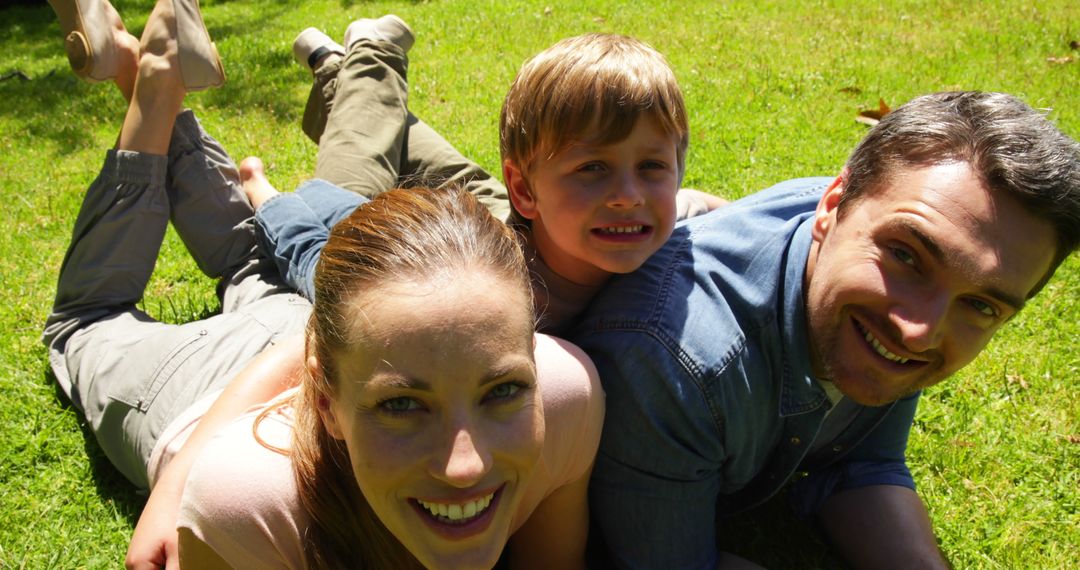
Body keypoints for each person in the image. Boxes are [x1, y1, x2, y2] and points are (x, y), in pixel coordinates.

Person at [41, 1, 603, 569]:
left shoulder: (564, 397)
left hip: (334, 333)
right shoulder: (250, 501)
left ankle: (147, 76)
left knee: (247, 259)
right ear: (326, 403)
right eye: (404, 405)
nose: (465, 466)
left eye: (503, 390)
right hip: (199, 390)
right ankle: (150, 81)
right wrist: (182, 475)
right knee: (85, 318)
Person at [569, 90, 1080, 568]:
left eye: (982, 306)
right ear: (832, 206)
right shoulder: (671, 363)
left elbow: (859, 464)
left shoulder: (885, 254)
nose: (919, 331)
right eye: (906, 256)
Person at [252, 24, 725, 335]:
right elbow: (334, 276)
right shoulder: (490, 291)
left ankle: (342, 72)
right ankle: (368, 56)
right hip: (471, 236)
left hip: (521, 216)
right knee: (352, 192)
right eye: (593, 168)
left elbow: (697, 202)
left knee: (446, 171)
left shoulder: (654, 216)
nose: (628, 196)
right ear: (525, 189)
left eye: (651, 167)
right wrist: (267, 200)